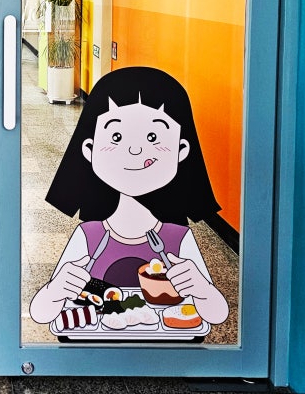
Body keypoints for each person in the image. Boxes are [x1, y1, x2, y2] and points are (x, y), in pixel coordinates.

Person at [29, 66, 229, 326]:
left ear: (181, 151)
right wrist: (55, 290)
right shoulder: (88, 236)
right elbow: (41, 314)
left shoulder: (178, 239)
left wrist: (203, 290)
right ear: (90, 150)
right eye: (116, 136)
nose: (135, 149)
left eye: (153, 137)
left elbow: (217, 315)